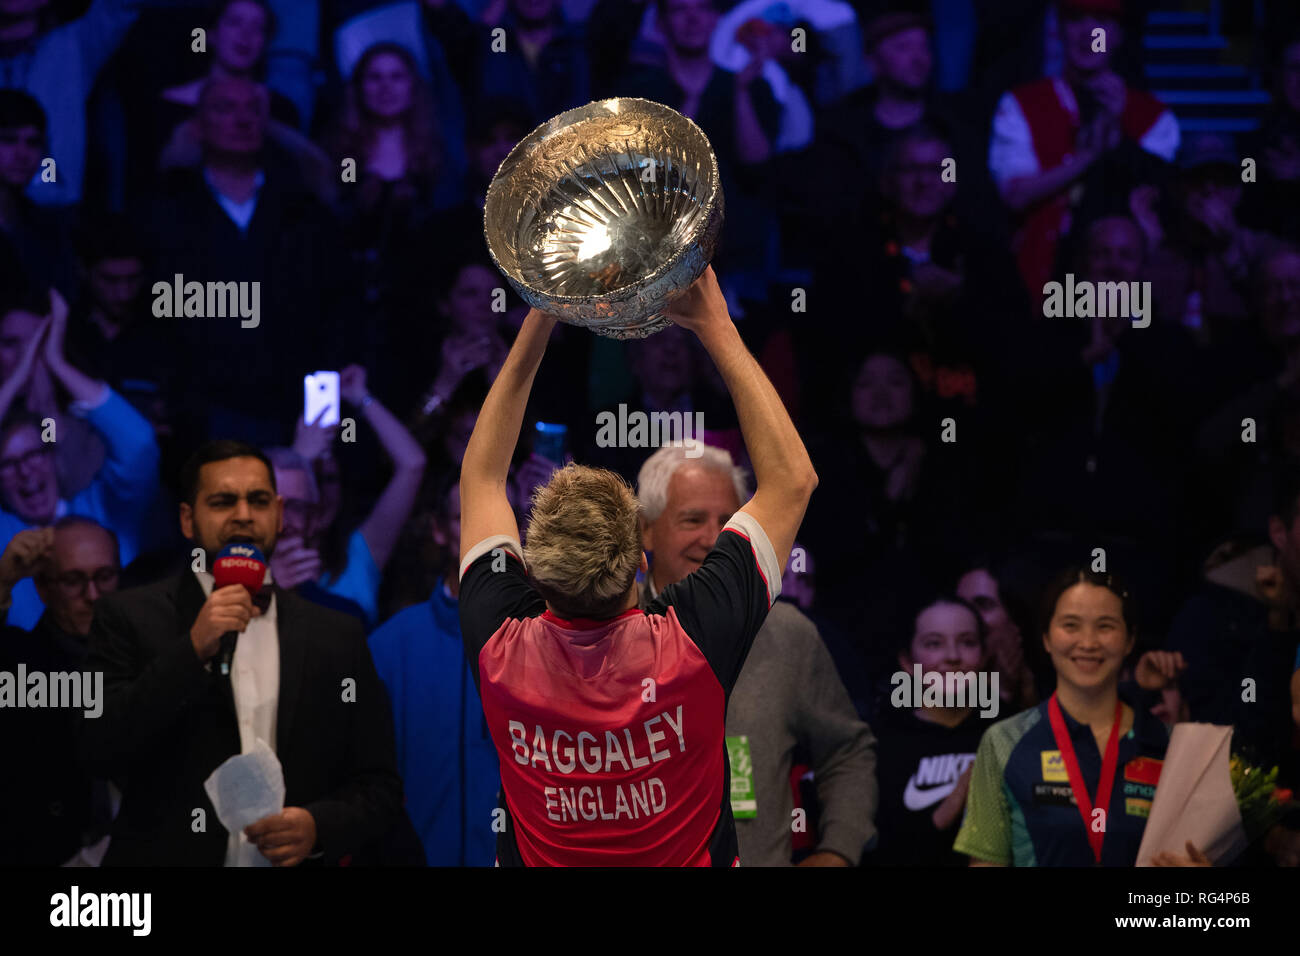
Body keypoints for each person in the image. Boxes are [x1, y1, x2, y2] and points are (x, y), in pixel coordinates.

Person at [457, 265, 817, 865]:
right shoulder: (692, 637)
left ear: (534, 576)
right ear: (640, 564)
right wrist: (716, 326)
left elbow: (483, 476)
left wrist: (542, 312)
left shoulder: (500, 645)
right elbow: (792, 481)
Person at [79, 440, 404, 866]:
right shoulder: (127, 617)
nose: (244, 515)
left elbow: (379, 785)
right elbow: (96, 747)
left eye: (259, 500)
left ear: (281, 514)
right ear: (187, 520)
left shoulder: (337, 635)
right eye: (222, 501)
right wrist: (191, 650)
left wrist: (318, 826)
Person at [637, 442, 877, 866]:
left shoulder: (788, 634)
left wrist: (837, 851)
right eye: (692, 519)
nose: (712, 539)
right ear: (646, 530)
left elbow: (848, 751)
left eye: (729, 524)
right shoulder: (605, 630)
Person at [954, 567, 1206, 866]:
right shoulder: (1003, 740)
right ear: (1046, 638)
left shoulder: (1170, 746)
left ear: (1129, 640)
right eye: (1071, 625)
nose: (1088, 643)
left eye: (1105, 626)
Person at [988, 0, 1180, 295]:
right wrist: (1085, 159)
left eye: (1101, 21)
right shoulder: (1021, 105)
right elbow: (1015, 195)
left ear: (1118, 35)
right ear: (1060, 29)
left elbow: (1158, 202)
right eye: (1076, 19)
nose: (1088, 33)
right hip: (1042, 289)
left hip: (1125, 294)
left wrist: (1118, 133)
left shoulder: (1155, 118)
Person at [0, 290, 159, 630]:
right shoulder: (5, 534)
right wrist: (16, 379)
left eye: (33, 457)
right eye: (8, 465)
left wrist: (55, 362)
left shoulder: (102, 509)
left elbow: (140, 445)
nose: (26, 472)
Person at [368, 481, 500, 866]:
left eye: (499, 518)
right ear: (440, 530)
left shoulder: (545, 638)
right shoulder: (389, 646)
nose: (485, 532)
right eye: (466, 518)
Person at [0, 519, 121, 865]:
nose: (93, 595)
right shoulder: (17, 662)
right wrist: (2, 582)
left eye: (105, 576)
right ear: (41, 587)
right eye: (73, 580)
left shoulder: (149, 649)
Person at [283, 364, 427, 628]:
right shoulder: (265, 552)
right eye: (312, 479)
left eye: (330, 480)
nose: (320, 493)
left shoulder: (359, 554)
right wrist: (299, 458)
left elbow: (412, 463)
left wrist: (361, 397)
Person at [866, 594, 993, 867]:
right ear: (907, 661)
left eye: (968, 642)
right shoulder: (881, 746)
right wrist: (952, 805)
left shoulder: (1005, 733)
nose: (952, 657)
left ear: (983, 656)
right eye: (934, 644)